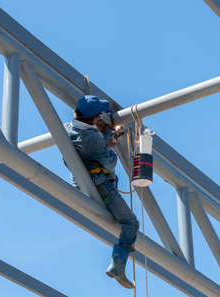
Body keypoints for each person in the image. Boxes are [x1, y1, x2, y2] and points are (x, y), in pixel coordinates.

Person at [64, 95, 139, 289]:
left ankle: (118, 265)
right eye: (100, 116)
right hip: (100, 185)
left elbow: (89, 148)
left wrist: (104, 137)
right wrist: (110, 144)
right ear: (96, 117)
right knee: (130, 222)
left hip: (80, 182)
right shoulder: (92, 139)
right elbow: (108, 162)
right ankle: (118, 265)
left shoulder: (68, 128)